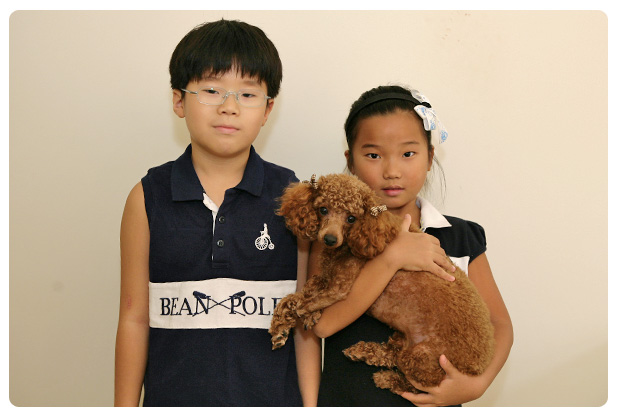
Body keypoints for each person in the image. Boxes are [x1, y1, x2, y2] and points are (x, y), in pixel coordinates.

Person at [114, 19, 320, 407]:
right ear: (179, 100)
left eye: (247, 93)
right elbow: (133, 319)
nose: (229, 107)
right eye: (211, 90)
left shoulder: (294, 197)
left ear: (268, 109)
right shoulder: (146, 197)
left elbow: (306, 321)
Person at [312, 85, 513, 407]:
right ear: (350, 161)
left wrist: (478, 385)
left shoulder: (460, 236)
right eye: (373, 155)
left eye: (408, 154)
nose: (392, 171)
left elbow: (499, 323)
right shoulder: (333, 237)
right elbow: (322, 324)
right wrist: (391, 259)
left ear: (430, 157)